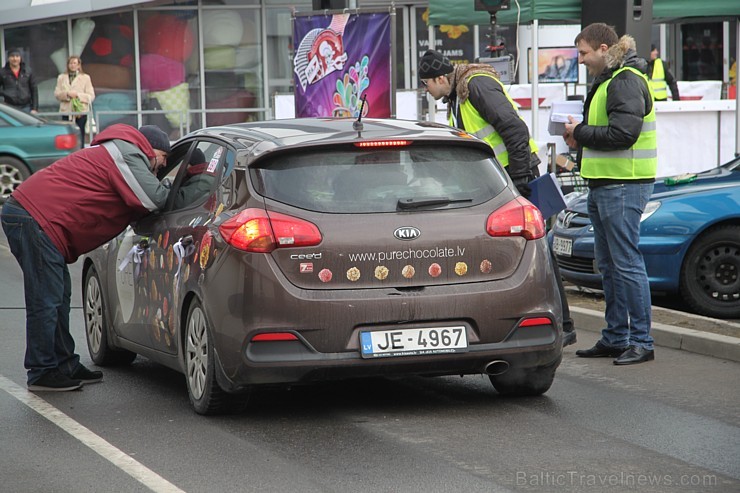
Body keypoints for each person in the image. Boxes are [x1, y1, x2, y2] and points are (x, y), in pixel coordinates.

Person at [418, 49, 577, 347]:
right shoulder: (458, 95)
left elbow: (515, 130)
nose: (427, 91)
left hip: (515, 178)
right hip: (500, 182)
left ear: (441, 77)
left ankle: (563, 323)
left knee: (538, 251)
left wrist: (518, 180)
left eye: (427, 84)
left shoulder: (476, 86)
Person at [1, 124, 171, 391]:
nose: (160, 168)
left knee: (58, 297)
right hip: (34, 218)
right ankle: (42, 371)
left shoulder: (118, 152)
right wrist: (174, 182)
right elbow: (153, 198)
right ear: (150, 148)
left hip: (35, 219)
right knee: (46, 299)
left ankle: (63, 364)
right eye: (163, 159)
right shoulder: (126, 153)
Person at [563, 23, 657, 365]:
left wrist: (581, 131)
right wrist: (580, 137)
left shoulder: (625, 79)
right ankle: (617, 337)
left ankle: (641, 341)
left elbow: (623, 134)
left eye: (584, 53)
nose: (581, 59)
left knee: (626, 263)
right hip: (605, 182)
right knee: (610, 265)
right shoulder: (610, 78)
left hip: (623, 184)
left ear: (605, 48)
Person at [54, 55, 95, 145]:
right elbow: (57, 94)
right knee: (67, 134)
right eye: (70, 63)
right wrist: (67, 94)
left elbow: (91, 96)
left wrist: (78, 95)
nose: (72, 65)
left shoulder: (85, 78)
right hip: (66, 111)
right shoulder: (61, 77)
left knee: (80, 134)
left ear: (79, 65)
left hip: (80, 112)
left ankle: (80, 151)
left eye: (74, 63)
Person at [0, 47, 38, 113]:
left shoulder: (28, 71)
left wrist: (35, 108)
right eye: (12, 56)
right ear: (8, 58)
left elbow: (34, 90)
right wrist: (5, 93)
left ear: (20, 58)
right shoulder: (2, 72)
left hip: (26, 106)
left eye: (17, 56)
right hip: (9, 106)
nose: (15, 59)